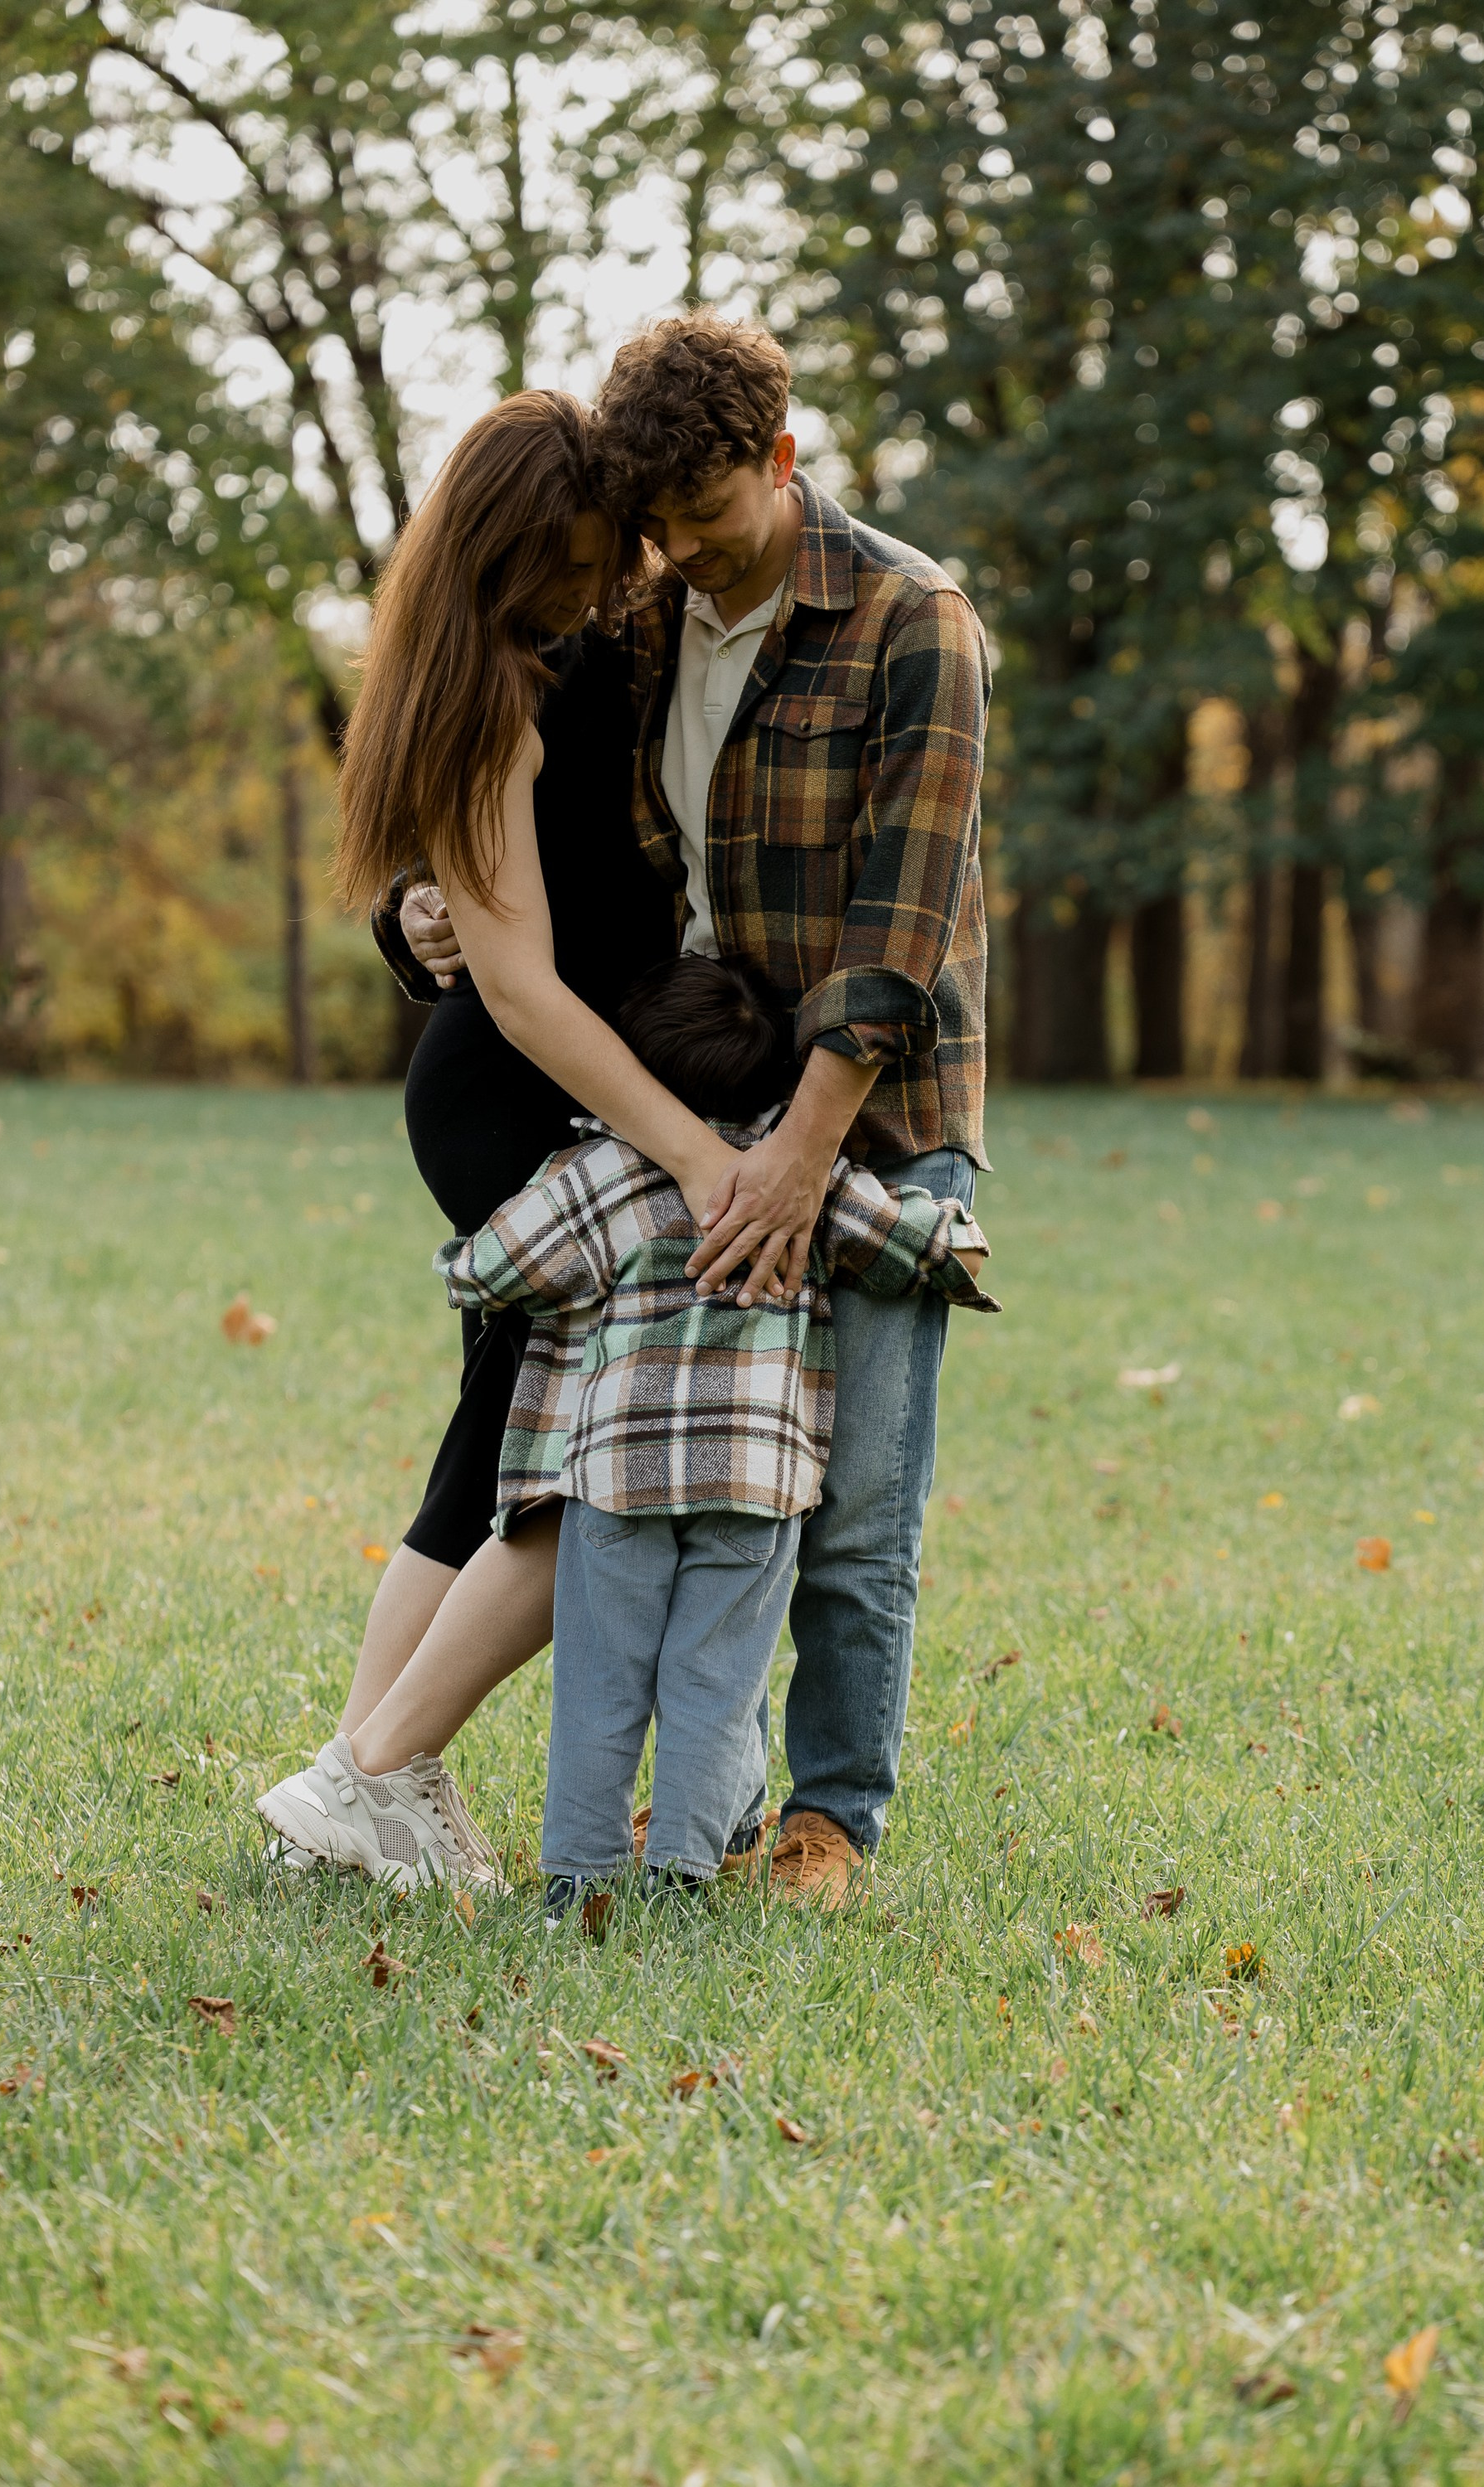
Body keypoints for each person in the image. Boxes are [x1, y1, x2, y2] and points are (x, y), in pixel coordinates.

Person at [393, 313, 991, 1905]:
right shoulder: (650, 613)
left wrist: (797, 1157)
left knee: (850, 1503)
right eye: (659, 530)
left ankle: (828, 1823)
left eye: (710, 521)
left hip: (863, 1113)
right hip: (692, 1093)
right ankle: (683, 1818)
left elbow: (903, 930)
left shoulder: (912, 620)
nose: (682, 556)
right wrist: (422, 914)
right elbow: (518, 799)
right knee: (655, 1467)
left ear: (782, 464)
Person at [256, 956, 997, 1903]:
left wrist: (486, 1257)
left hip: (616, 1483)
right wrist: (957, 1238)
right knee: (712, 1687)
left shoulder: (597, 1175)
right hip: (755, 1488)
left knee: (599, 1692)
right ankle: (680, 1876)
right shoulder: (799, 1180)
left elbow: (484, 1269)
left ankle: (578, 1880)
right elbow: (916, 1247)